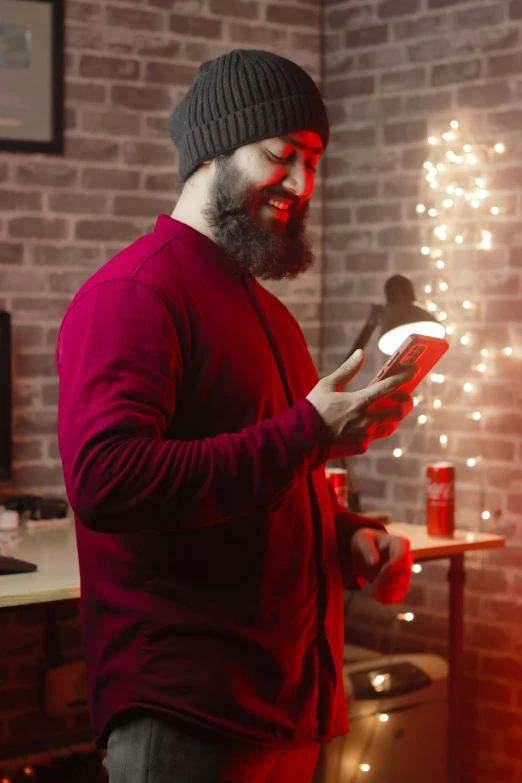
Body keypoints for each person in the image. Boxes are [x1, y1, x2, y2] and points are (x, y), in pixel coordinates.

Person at [56, 49, 414, 783]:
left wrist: (349, 542)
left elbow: (265, 477)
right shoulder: (135, 293)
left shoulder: (270, 315)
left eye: (314, 162)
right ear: (215, 150)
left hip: (286, 706)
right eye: (282, 155)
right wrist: (309, 431)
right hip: (189, 714)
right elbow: (108, 481)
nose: (302, 183)